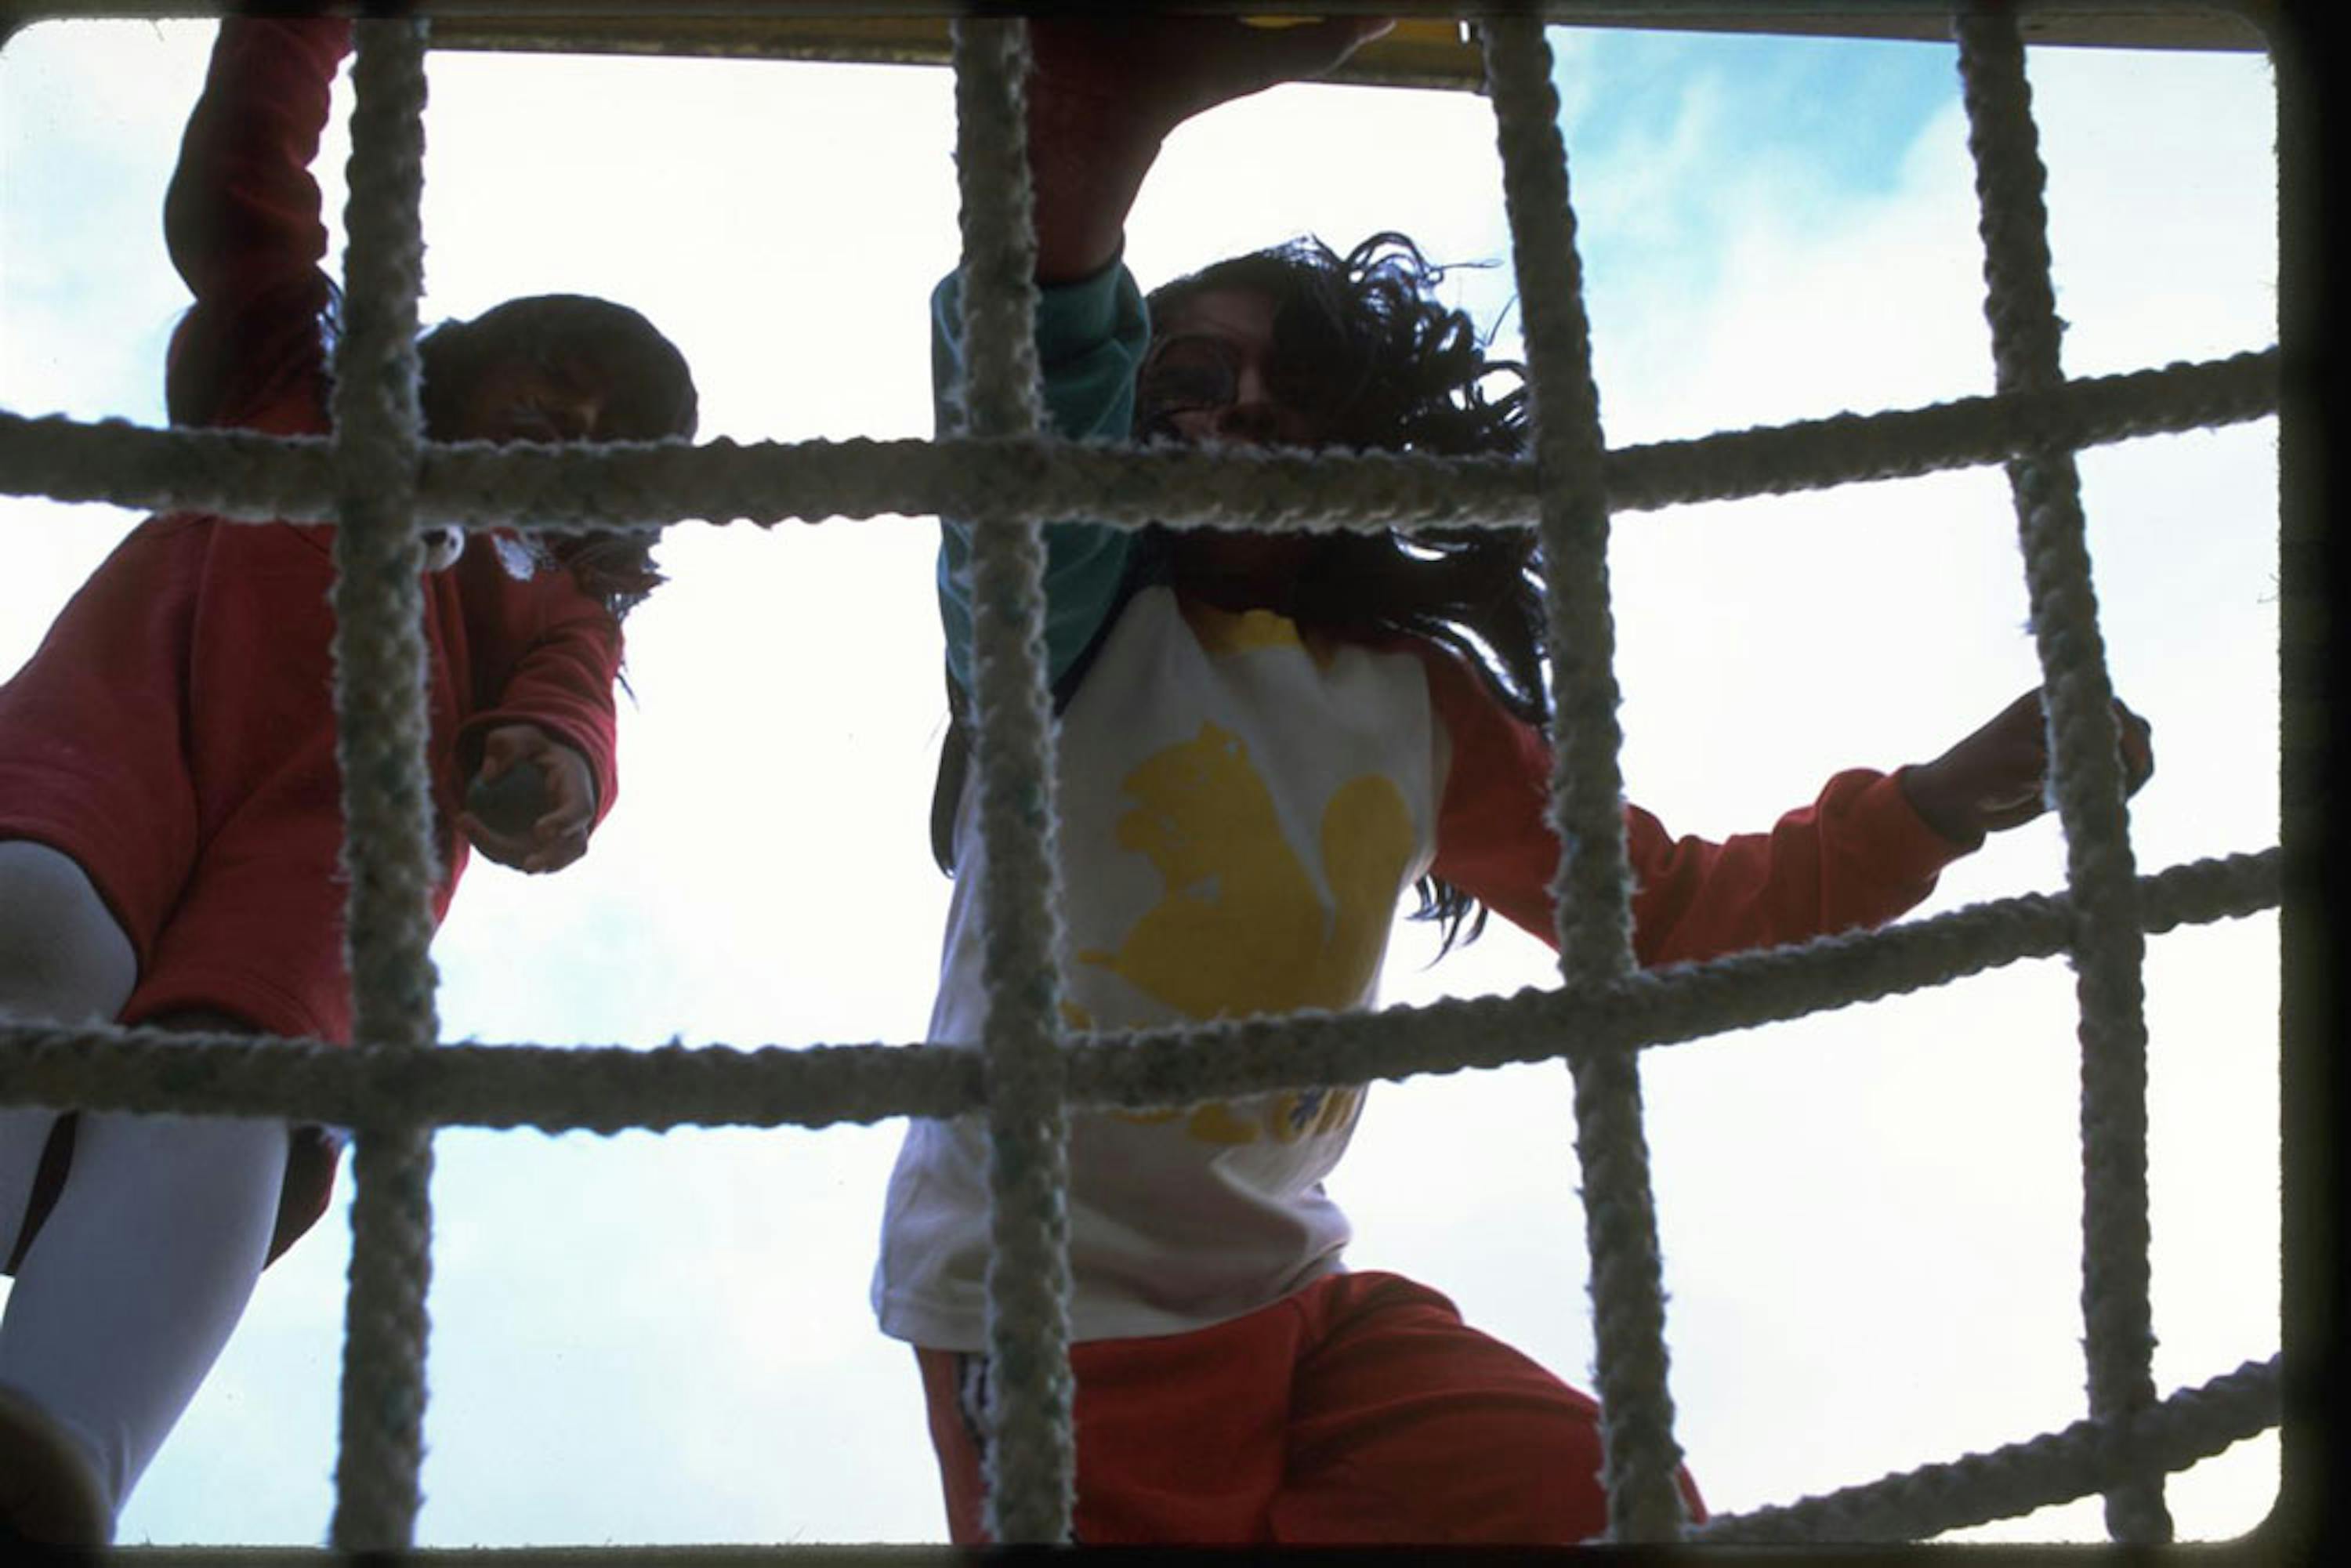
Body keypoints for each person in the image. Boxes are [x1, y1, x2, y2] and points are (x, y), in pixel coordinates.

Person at [873, 16, 2156, 1547]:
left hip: (1297, 1294)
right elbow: (1028, 432)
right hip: (1058, 1312)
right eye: (1192, 375)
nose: (1244, 408)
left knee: (1607, 1502)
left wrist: (1932, 806)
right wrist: (1091, 140)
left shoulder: (1420, 712)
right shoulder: (1068, 624)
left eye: (1303, 393)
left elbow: (1662, 908)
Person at [0, 17, 697, 1545]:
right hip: (140, 704)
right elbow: (245, 193)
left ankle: (49, 1442)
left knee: (240, 1091)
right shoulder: (315, 396)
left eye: (607, 431)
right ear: (466, 360)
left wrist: (548, 777)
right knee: (34, 916)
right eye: (555, 376)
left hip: (336, 840)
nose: (571, 423)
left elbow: (576, 717)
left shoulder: (553, 593)